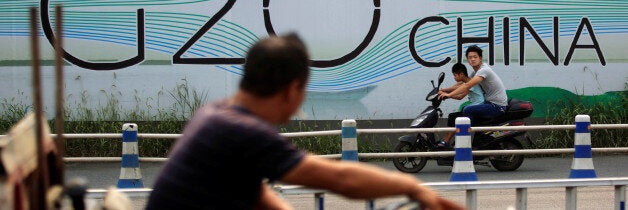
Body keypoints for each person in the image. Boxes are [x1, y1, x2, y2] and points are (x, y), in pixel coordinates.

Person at [146, 33, 463, 210]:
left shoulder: (215, 116)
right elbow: (341, 179)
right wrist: (413, 188)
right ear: (293, 89)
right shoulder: (242, 132)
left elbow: (259, 197)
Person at [437, 45, 508, 146]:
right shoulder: (475, 72)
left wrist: (449, 95)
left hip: (497, 106)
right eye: (470, 57)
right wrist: (442, 90)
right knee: (457, 115)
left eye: (475, 57)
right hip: (489, 103)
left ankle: (464, 142)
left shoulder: (484, 70)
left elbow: (468, 85)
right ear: (468, 60)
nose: (472, 59)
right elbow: (461, 84)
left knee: (467, 110)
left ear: (480, 58)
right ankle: (448, 141)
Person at [436, 62, 485, 147]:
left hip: (477, 108)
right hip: (473, 107)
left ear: (461, 74)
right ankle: (446, 140)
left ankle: (446, 141)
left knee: (455, 118)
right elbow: (455, 88)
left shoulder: (470, 83)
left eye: (455, 75)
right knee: (452, 116)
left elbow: (460, 96)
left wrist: (446, 94)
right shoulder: (466, 82)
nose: (454, 77)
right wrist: (444, 92)